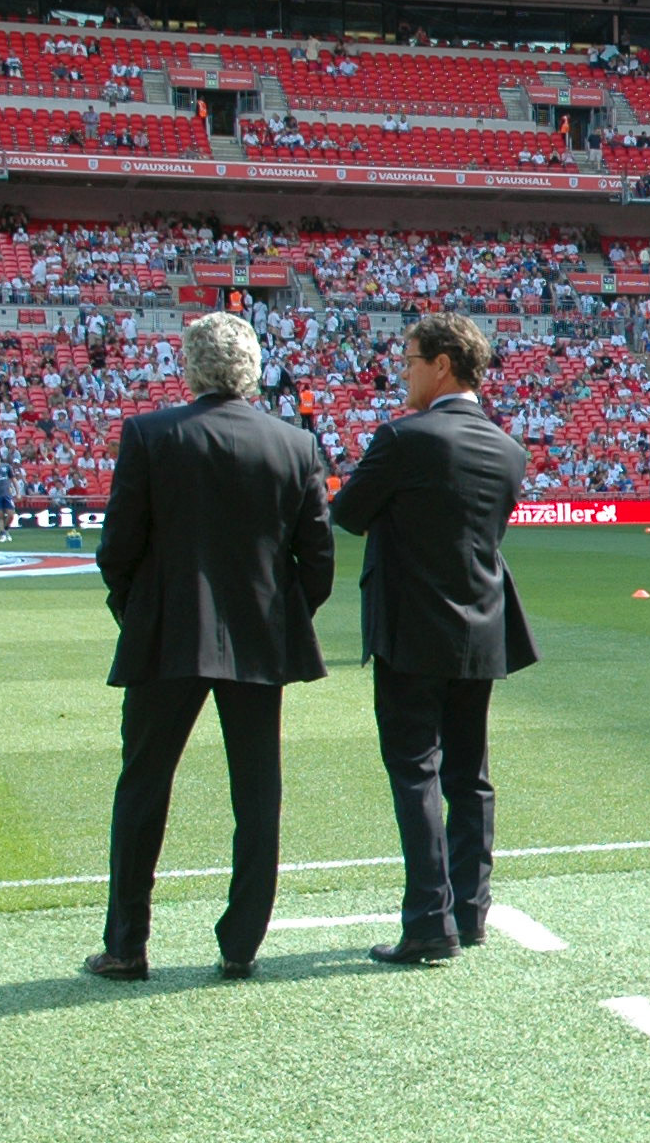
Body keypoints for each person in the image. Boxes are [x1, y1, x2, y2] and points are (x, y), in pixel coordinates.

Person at [86, 313, 334, 983]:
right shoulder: (294, 444)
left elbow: (117, 551)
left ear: (191, 368)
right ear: (253, 369)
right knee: (257, 793)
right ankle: (241, 944)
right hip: (258, 641)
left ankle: (127, 945)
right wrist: (278, 617)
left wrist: (138, 614)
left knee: (142, 785)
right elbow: (318, 562)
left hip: (168, 634)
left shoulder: (150, 434)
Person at [331, 314, 537, 967]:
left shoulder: (404, 437)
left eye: (413, 359)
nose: (406, 371)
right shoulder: (509, 450)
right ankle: (470, 914)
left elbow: (349, 514)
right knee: (469, 776)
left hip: (411, 631)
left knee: (416, 773)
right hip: (482, 629)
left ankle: (427, 921)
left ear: (442, 365)